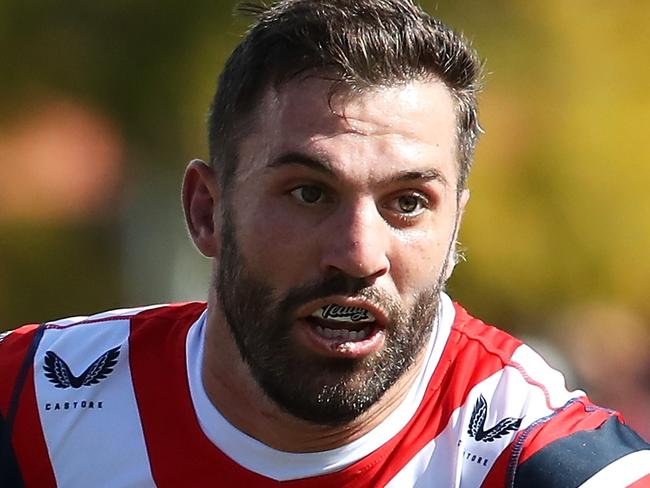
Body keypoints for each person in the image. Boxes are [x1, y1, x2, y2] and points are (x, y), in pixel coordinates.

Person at [1, 1, 649, 486]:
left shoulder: (538, 458)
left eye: (407, 203)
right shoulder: (33, 406)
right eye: (309, 193)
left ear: (454, 232)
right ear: (207, 212)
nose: (358, 252)